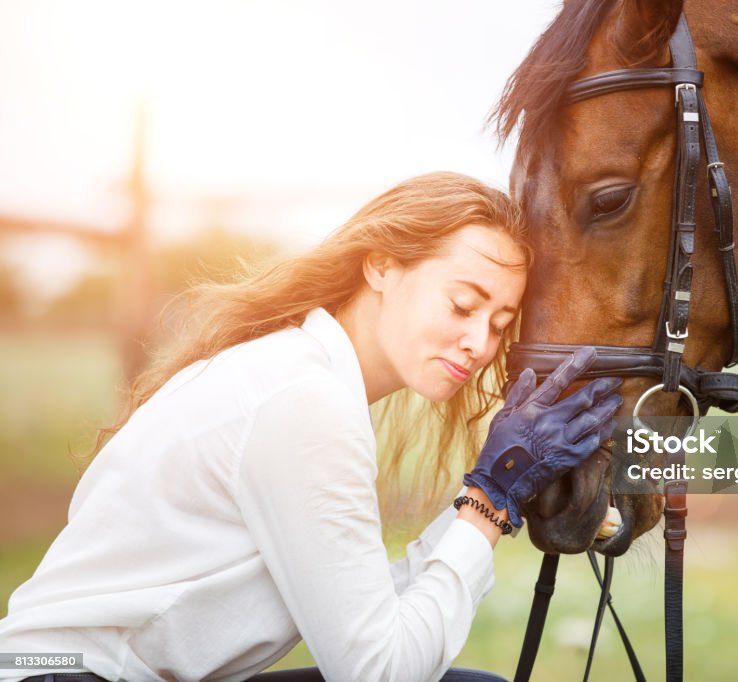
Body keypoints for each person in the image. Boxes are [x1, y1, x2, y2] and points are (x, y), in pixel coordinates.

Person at [0, 172, 622, 682]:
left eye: (497, 323)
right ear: (380, 265)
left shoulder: (304, 377)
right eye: (462, 305)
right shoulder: (306, 401)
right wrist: (492, 497)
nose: (478, 342)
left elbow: (366, 614)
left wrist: (496, 494)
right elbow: (379, 671)